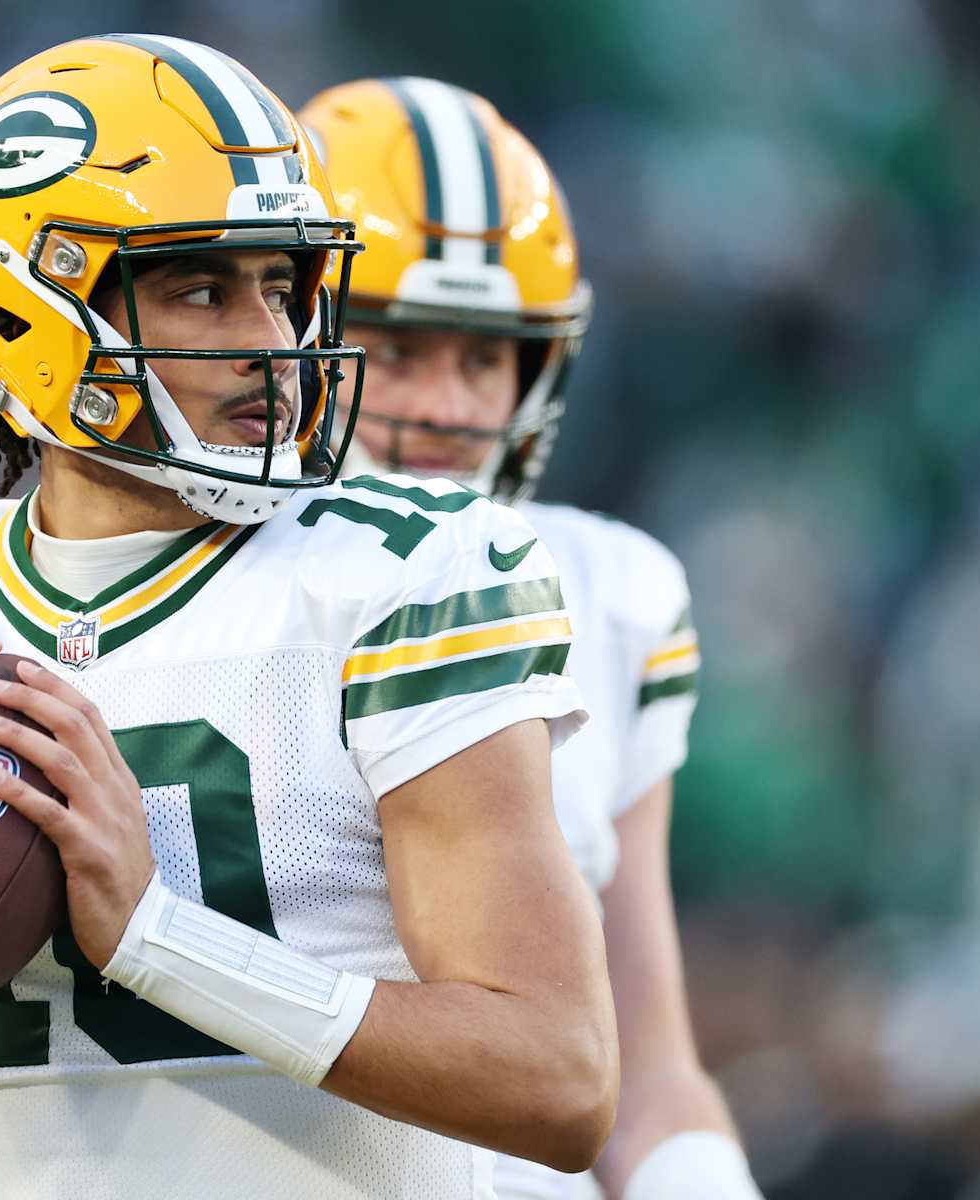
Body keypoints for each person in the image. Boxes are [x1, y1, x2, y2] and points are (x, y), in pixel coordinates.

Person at [0, 36, 618, 1199]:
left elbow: (558, 1080)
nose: (275, 343)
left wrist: (156, 938)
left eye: (282, 286)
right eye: (203, 287)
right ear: (28, 309)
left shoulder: (406, 573)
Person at [297, 78, 762, 1200]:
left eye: (484, 356)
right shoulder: (192, 580)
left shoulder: (607, 591)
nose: (450, 407)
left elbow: (644, 1074)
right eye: (399, 348)